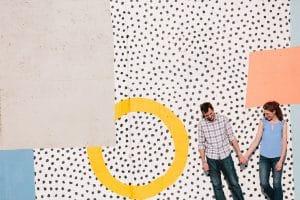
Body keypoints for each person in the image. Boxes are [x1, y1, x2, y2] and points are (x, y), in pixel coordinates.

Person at [198, 102, 245, 200]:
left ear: (213, 109)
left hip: (225, 156)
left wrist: (239, 154)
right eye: (207, 115)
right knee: (216, 185)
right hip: (211, 158)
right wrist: (204, 162)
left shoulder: (223, 119)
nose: (210, 116)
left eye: (211, 113)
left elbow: (232, 138)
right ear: (203, 114)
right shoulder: (201, 124)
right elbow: (201, 144)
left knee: (234, 183)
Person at [243, 101, 287, 200]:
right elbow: (257, 139)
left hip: (277, 158)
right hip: (264, 158)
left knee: (276, 184)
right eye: (264, 113)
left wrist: (281, 161)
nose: (265, 115)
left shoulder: (283, 123)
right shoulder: (262, 122)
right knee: (264, 183)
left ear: (274, 111)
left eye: (267, 113)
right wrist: (246, 155)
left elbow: (284, 143)